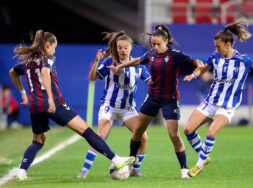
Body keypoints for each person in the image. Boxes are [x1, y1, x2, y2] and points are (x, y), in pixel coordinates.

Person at [9, 30, 135, 181]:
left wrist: (23, 92)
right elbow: (44, 73)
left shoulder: (27, 61)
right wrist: (49, 98)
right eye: (54, 47)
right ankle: (116, 159)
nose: (54, 51)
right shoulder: (47, 58)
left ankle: (22, 172)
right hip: (53, 103)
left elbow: (12, 72)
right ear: (47, 45)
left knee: (38, 141)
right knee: (87, 131)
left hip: (34, 106)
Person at [183, 22, 253, 177]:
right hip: (211, 101)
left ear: (228, 44)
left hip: (228, 106)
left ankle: (199, 164)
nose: (216, 49)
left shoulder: (243, 60)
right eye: (215, 46)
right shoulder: (215, 57)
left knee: (211, 132)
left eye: (218, 46)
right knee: (188, 129)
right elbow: (204, 69)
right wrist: (193, 75)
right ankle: (204, 155)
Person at [109, 25, 203, 179]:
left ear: (166, 41)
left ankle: (184, 169)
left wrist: (197, 68)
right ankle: (131, 163)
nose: (155, 47)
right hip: (152, 98)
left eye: (158, 44)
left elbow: (195, 62)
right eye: (153, 44)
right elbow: (138, 61)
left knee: (174, 135)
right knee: (138, 130)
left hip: (170, 100)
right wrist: (120, 65)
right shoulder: (151, 54)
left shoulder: (175, 55)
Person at [78, 31, 150, 179]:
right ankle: (84, 171)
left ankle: (135, 169)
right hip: (109, 107)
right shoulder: (109, 61)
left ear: (131, 47)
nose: (122, 50)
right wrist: (97, 61)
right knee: (100, 137)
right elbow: (92, 78)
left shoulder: (138, 65)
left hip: (127, 109)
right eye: (119, 47)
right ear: (115, 48)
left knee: (143, 138)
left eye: (125, 47)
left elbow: (151, 83)